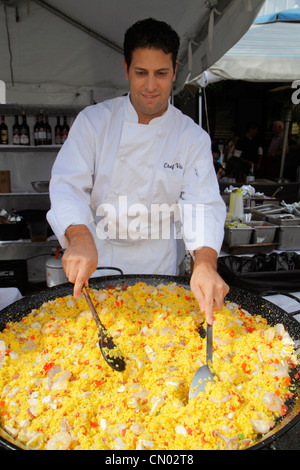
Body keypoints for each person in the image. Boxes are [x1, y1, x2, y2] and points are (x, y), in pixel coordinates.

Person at [47, 18, 228, 325]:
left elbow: (203, 204)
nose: (150, 86)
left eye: (161, 73)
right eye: (140, 73)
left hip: (159, 269)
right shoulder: (94, 122)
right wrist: (78, 237)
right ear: (126, 69)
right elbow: (67, 185)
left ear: (175, 71)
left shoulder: (191, 136)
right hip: (97, 262)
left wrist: (206, 263)